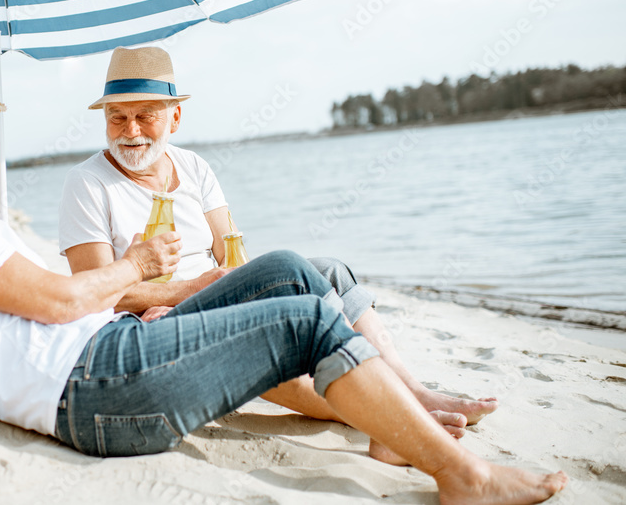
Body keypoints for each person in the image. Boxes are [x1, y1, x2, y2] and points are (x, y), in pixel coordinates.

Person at [0, 103, 566, 503]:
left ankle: (393, 428)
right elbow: (56, 301)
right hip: (100, 383)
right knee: (306, 318)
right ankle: (463, 477)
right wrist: (136, 264)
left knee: (286, 269)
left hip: (104, 366)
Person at [59, 46, 498, 427]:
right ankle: (381, 411)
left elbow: (231, 249)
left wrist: (234, 283)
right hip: (155, 322)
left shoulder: (193, 167)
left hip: (214, 291)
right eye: (118, 117)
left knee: (328, 270)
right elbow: (97, 295)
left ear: (174, 117)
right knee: (283, 278)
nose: (130, 131)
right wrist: (188, 291)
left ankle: (409, 390)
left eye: (144, 116)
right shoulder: (87, 184)